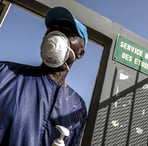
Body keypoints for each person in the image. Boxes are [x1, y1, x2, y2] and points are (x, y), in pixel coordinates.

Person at [0, 6, 88, 146]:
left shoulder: (78, 107)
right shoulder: (4, 74)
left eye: (68, 33)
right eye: (53, 30)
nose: (57, 37)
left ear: (80, 53)